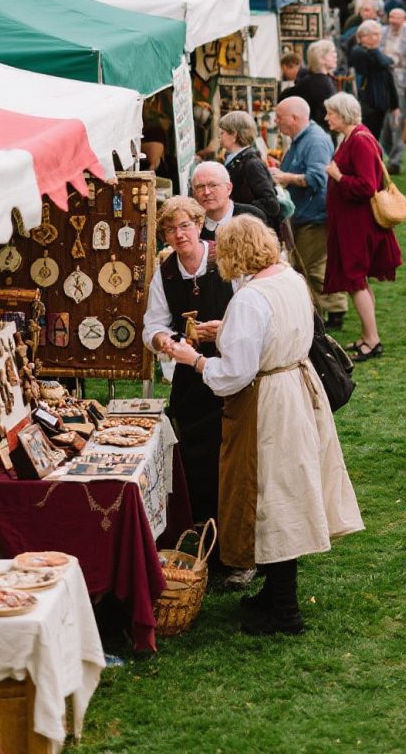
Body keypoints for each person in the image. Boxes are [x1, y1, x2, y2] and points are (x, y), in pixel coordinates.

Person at [165, 215, 364, 636]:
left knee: (270, 496)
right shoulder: (289, 278)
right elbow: (277, 332)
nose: (217, 256)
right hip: (294, 386)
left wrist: (195, 360)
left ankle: (285, 610)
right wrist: (229, 331)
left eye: (222, 248)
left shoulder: (250, 298)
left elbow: (235, 373)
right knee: (284, 490)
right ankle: (275, 594)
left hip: (269, 401)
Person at [142, 197, 243, 580]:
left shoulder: (225, 259)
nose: (179, 234)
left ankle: (235, 551)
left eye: (185, 226)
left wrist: (224, 328)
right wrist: (166, 342)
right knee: (194, 461)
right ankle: (202, 542)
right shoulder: (165, 272)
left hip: (231, 374)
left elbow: (251, 308)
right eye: (170, 229)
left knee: (229, 461)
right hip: (189, 378)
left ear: (200, 225)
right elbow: (152, 325)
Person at [323, 92, 402, 362]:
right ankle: (368, 334)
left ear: (343, 114)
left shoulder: (359, 141)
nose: (326, 118)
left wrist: (338, 177)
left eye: (330, 113)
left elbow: (367, 186)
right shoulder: (352, 137)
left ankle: (372, 339)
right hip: (351, 223)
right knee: (358, 281)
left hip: (358, 225)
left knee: (356, 280)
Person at [272, 97, 348, 332]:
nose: (276, 122)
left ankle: (332, 311)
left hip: (314, 215)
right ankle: (330, 309)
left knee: (311, 266)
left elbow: (317, 177)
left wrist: (285, 177)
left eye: (279, 117)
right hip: (306, 212)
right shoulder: (302, 139)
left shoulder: (314, 140)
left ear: (294, 118)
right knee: (314, 266)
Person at [217, 111, 283, 234]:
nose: (219, 136)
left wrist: (236, 208)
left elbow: (271, 204)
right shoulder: (236, 160)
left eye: (223, 132)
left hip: (255, 233)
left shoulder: (252, 164)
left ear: (234, 135)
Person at [379, 8, 406, 175]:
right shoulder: (383, 32)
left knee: (398, 120)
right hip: (384, 81)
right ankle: (385, 154)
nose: (393, 20)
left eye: (397, 17)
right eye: (391, 16)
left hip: (401, 82)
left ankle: (395, 161)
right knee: (384, 121)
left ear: (404, 19)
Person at [348, 19, 399, 142]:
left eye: (379, 34)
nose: (378, 38)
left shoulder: (371, 52)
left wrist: (394, 104)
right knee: (368, 139)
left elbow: (389, 66)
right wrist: (376, 50)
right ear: (363, 37)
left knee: (375, 139)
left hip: (379, 103)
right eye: (374, 34)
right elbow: (385, 61)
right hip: (368, 104)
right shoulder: (360, 51)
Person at [190, 161, 265, 241]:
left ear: (229, 188)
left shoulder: (253, 218)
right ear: (194, 193)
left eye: (213, 185)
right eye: (200, 187)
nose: (206, 192)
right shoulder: (191, 226)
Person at [286, 39, 339, 131]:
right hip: (320, 132)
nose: (335, 55)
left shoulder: (315, 79)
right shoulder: (322, 82)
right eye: (331, 53)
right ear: (321, 59)